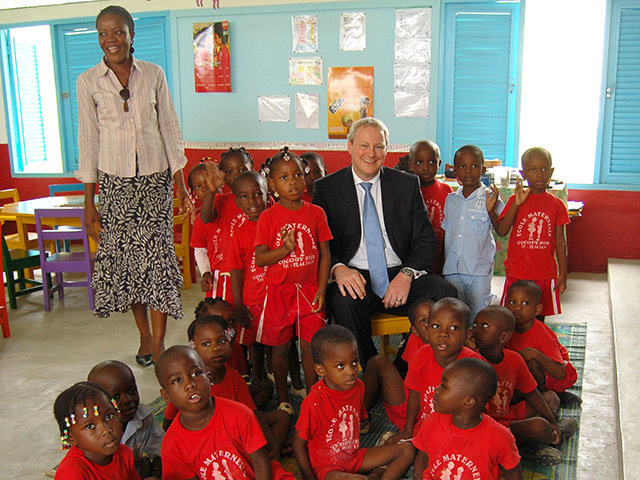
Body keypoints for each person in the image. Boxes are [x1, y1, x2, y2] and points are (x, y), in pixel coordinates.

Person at [75, 5, 194, 366]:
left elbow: (170, 130)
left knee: (156, 262)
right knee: (128, 266)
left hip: (154, 184)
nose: (110, 40)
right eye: (102, 33)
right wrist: (89, 200)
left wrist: (181, 186)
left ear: (131, 34)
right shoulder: (88, 82)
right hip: (113, 186)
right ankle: (143, 334)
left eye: (117, 32)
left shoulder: (154, 74)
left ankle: (157, 345)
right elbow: (88, 140)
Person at [313, 117, 457, 365]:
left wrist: (407, 273)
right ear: (349, 147)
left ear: (387, 149)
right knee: (342, 300)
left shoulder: (406, 184)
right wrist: (338, 269)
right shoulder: (327, 188)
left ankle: (403, 365)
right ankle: (372, 369)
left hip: (399, 274)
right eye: (364, 146)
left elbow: (425, 240)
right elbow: (319, 243)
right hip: (355, 276)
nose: (371, 153)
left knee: (445, 293)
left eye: (379, 146)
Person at [255, 147, 332, 412]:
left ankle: (312, 397)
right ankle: (283, 398)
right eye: (285, 177)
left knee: (311, 349)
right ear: (272, 183)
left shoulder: (316, 213)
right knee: (280, 350)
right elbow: (261, 258)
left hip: (310, 291)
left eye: (298, 175)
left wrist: (321, 288)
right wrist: (284, 251)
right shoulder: (268, 217)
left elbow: (324, 253)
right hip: (279, 292)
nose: (293, 182)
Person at [293, 325, 415, 480]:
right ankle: (371, 475)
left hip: (354, 458)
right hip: (327, 468)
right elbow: (298, 444)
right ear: (320, 370)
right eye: (340, 366)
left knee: (407, 450)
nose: (351, 371)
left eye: (354, 362)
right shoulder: (314, 401)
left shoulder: (358, 387)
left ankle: (376, 476)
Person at [162, 315, 292, 459]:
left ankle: (269, 457)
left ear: (230, 343)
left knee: (282, 417)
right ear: (193, 348)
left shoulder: (235, 378)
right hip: (205, 442)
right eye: (206, 344)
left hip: (236, 432)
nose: (216, 348)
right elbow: (168, 422)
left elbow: (253, 415)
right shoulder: (189, 386)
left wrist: (272, 446)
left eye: (221, 341)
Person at [155, 346, 293, 480]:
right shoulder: (172, 444)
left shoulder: (239, 414)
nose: (190, 384)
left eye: (196, 373)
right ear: (166, 395)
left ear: (209, 379)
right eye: (177, 380)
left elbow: (260, 461)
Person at [472, 306, 577, 466]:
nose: (475, 329)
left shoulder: (514, 359)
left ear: (504, 336)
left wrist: (552, 420)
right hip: (489, 425)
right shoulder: (470, 360)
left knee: (551, 398)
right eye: (474, 324)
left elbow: (532, 393)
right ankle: (538, 442)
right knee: (539, 427)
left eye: (484, 326)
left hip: (509, 415)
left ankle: (549, 433)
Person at [387, 298, 483, 444]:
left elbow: (480, 410)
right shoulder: (421, 355)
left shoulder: (473, 365)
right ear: (427, 330)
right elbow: (414, 396)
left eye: (453, 328)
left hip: (458, 435)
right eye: (436, 326)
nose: (443, 334)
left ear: (467, 334)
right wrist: (407, 430)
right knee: (398, 449)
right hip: (426, 427)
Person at [412, 358, 523, 480]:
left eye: (444, 386)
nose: (436, 389)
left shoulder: (499, 437)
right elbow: (422, 457)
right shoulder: (432, 421)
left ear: (468, 402)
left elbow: (513, 473)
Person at [497, 147, 570, 319]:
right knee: (513, 318)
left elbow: (560, 241)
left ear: (551, 171)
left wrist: (563, 274)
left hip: (543, 273)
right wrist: (516, 204)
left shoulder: (557, 205)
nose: (539, 174)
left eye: (544, 169)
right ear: (523, 174)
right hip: (518, 272)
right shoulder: (516, 200)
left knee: (538, 319)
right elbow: (502, 230)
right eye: (532, 170)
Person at [441, 145, 504, 320]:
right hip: (452, 270)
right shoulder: (451, 200)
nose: (468, 171)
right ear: (454, 171)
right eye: (462, 166)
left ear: (483, 169)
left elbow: (502, 230)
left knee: (478, 317)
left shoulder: (490, 197)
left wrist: (491, 210)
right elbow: (446, 234)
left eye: (474, 166)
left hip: (479, 272)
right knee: (456, 317)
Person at [362, 298, 434, 432]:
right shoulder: (415, 339)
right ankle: (361, 418)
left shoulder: (446, 344)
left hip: (427, 412)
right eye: (423, 321)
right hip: (413, 405)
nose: (429, 325)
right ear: (414, 330)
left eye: (433, 319)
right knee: (378, 362)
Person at [504, 281, 580, 404]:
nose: (517, 308)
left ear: (537, 309)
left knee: (532, 363)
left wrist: (533, 354)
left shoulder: (543, 335)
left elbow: (560, 373)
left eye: (525, 303)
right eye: (512, 302)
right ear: (506, 306)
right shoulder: (505, 327)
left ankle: (544, 396)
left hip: (550, 374)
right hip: (519, 374)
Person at [87, 361, 163, 478]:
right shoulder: (91, 433)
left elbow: (162, 451)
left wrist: (154, 475)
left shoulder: (145, 417)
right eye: (116, 397)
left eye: (132, 391)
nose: (128, 399)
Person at [53, 382, 141, 479]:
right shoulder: (72, 473)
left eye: (109, 416)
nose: (106, 430)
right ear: (70, 438)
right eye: (90, 426)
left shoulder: (124, 454)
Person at [200, 148, 255, 301]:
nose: (237, 175)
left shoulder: (262, 199)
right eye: (229, 172)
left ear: (252, 166)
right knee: (228, 312)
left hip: (255, 269)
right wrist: (211, 191)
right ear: (222, 176)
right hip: (227, 271)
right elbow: (206, 218)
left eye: (242, 169)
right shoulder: (221, 200)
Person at [408, 140, 452, 273]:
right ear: (410, 165)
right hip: (413, 254)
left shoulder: (446, 190)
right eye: (419, 162)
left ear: (439, 164)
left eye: (432, 162)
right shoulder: (406, 190)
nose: (426, 167)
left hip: (439, 252)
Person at [188, 162, 228, 300]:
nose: (206, 188)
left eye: (209, 182)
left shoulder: (235, 206)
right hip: (218, 276)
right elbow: (200, 250)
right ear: (194, 193)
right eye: (198, 186)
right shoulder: (201, 220)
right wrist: (205, 272)